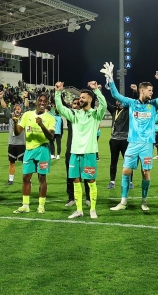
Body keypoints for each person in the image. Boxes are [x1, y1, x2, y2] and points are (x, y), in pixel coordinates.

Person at [104, 63, 158, 212]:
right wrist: (111, 79)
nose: (152, 93)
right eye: (149, 90)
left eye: (152, 90)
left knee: (145, 173)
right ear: (141, 90)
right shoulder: (132, 103)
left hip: (147, 145)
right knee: (126, 171)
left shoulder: (153, 104)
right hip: (132, 143)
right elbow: (116, 95)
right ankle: (123, 201)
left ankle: (144, 201)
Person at [55, 80, 106, 219]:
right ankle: (79, 210)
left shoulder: (96, 115)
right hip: (74, 153)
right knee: (76, 181)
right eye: (80, 97)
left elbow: (104, 105)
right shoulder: (75, 115)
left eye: (83, 97)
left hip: (89, 154)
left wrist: (96, 90)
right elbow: (60, 108)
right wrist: (58, 92)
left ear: (90, 100)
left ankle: (93, 209)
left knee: (91, 181)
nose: (80, 99)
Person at [13, 94, 56, 214]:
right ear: (36, 102)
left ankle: (41, 206)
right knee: (26, 178)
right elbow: (17, 132)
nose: (42, 103)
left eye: (45, 101)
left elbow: (51, 137)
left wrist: (41, 125)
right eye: (40, 100)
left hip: (43, 150)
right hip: (29, 150)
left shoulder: (50, 118)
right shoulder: (27, 115)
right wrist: (15, 122)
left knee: (42, 178)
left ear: (47, 104)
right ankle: (25, 205)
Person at [106, 87, 136, 190]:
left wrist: (134, 92)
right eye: (117, 100)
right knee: (113, 161)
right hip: (114, 140)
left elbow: (135, 102)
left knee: (128, 162)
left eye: (121, 101)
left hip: (125, 140)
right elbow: (105, 103)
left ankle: (130, 182)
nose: (119, 102)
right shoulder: (113, 110)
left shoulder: (128, 110)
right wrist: (99, 91)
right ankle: (112, 181)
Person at [64, 98, 92, 206]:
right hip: (71, 149)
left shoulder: (86, 116)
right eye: (74, 104)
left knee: (86, 175)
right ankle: (71, 198)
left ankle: (88, 198)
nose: (75, 105)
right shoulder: (71, 116)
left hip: (84, 149)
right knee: (70, 175)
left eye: (77, 104)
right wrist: (58, 93)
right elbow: (63, 105)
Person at [0, 90, 26, 186]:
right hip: (11, 144)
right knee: (11, 162)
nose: (17, 110)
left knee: (25, 163)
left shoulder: (23, 117)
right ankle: (11, 180)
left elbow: (27, 106)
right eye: (16, 109)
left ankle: (28, 180)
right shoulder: (11, 117)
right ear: (14, 110)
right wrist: (1, 98)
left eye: (19, 109)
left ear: (21, 110)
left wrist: (26, 97)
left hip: (21, 144)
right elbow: (4, 107)